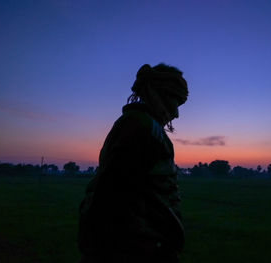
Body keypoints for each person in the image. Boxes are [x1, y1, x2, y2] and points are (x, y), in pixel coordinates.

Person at [78, 63, 189, 262]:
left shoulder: (140, 125)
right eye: (175, 102)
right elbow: (114, 196)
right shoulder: (141, 128)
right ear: (158, 94)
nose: (177, 114)